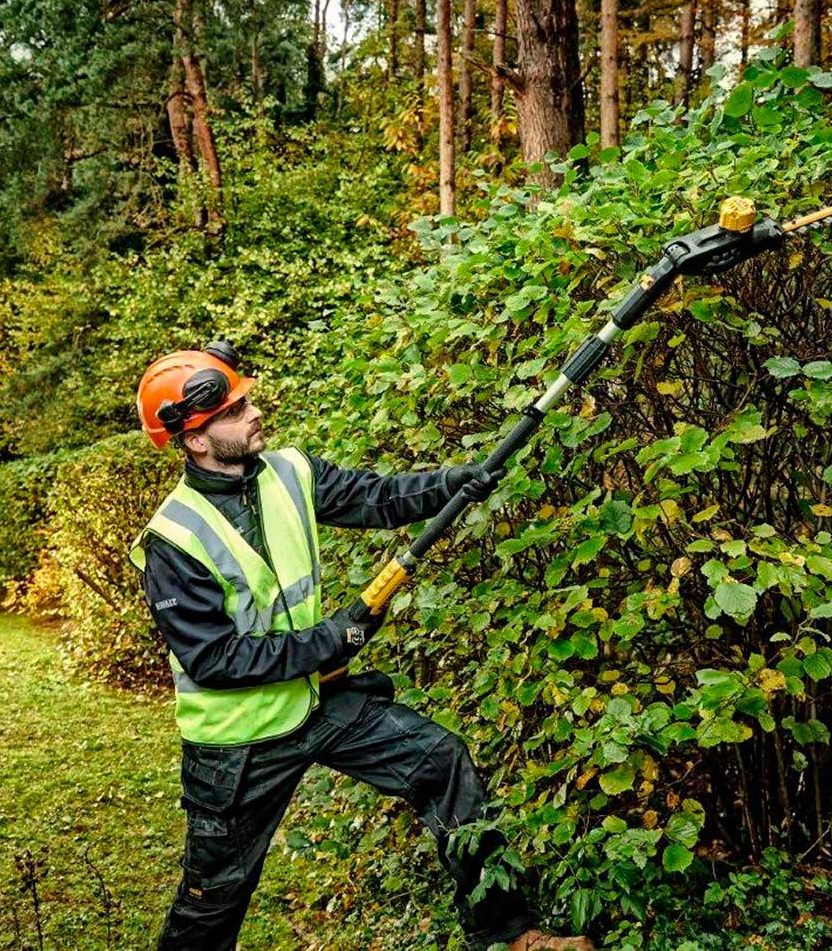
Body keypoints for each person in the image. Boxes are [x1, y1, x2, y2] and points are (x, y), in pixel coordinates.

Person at [130, 342, 593, 951]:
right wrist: (332, 638)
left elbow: (377, 498)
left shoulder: (289, 473)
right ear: (195, 438)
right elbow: (215, 661)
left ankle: (506, 931)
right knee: (213, 899)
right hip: (237, 746)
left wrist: (456, 482)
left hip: (317, 702)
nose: (254, 412)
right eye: (237, 410)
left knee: (440, 761)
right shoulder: (174, 537)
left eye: (248, 400)